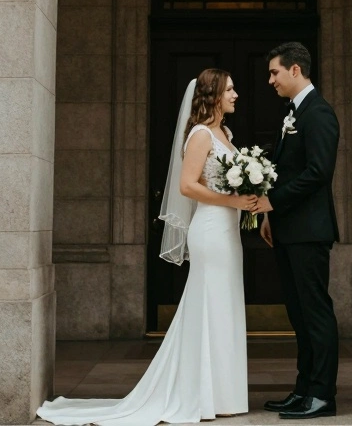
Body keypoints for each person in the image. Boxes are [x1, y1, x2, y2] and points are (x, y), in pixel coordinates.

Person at [36, 68, 255, 426]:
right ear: (213, 95)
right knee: (208, 304)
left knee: (224, 305)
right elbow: (186, 186)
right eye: (230, 89)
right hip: (211, 229)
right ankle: (199, 395)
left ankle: (223, 394)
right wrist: (231, 202)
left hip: (229, 232)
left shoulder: (226, 133)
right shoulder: (200, 135)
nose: (236, 95)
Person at [255, 42, 340, 421]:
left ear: (295, 71)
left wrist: (275, 203)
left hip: (309, 231)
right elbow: (284, 171)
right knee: (299, 315)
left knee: (316, 314)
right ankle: (303, 389)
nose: (270, 80)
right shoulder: (292, 113)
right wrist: (271, 216)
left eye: (274, 72)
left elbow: (318, 173)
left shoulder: (319, 113)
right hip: (289, 230)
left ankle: (322, 395)